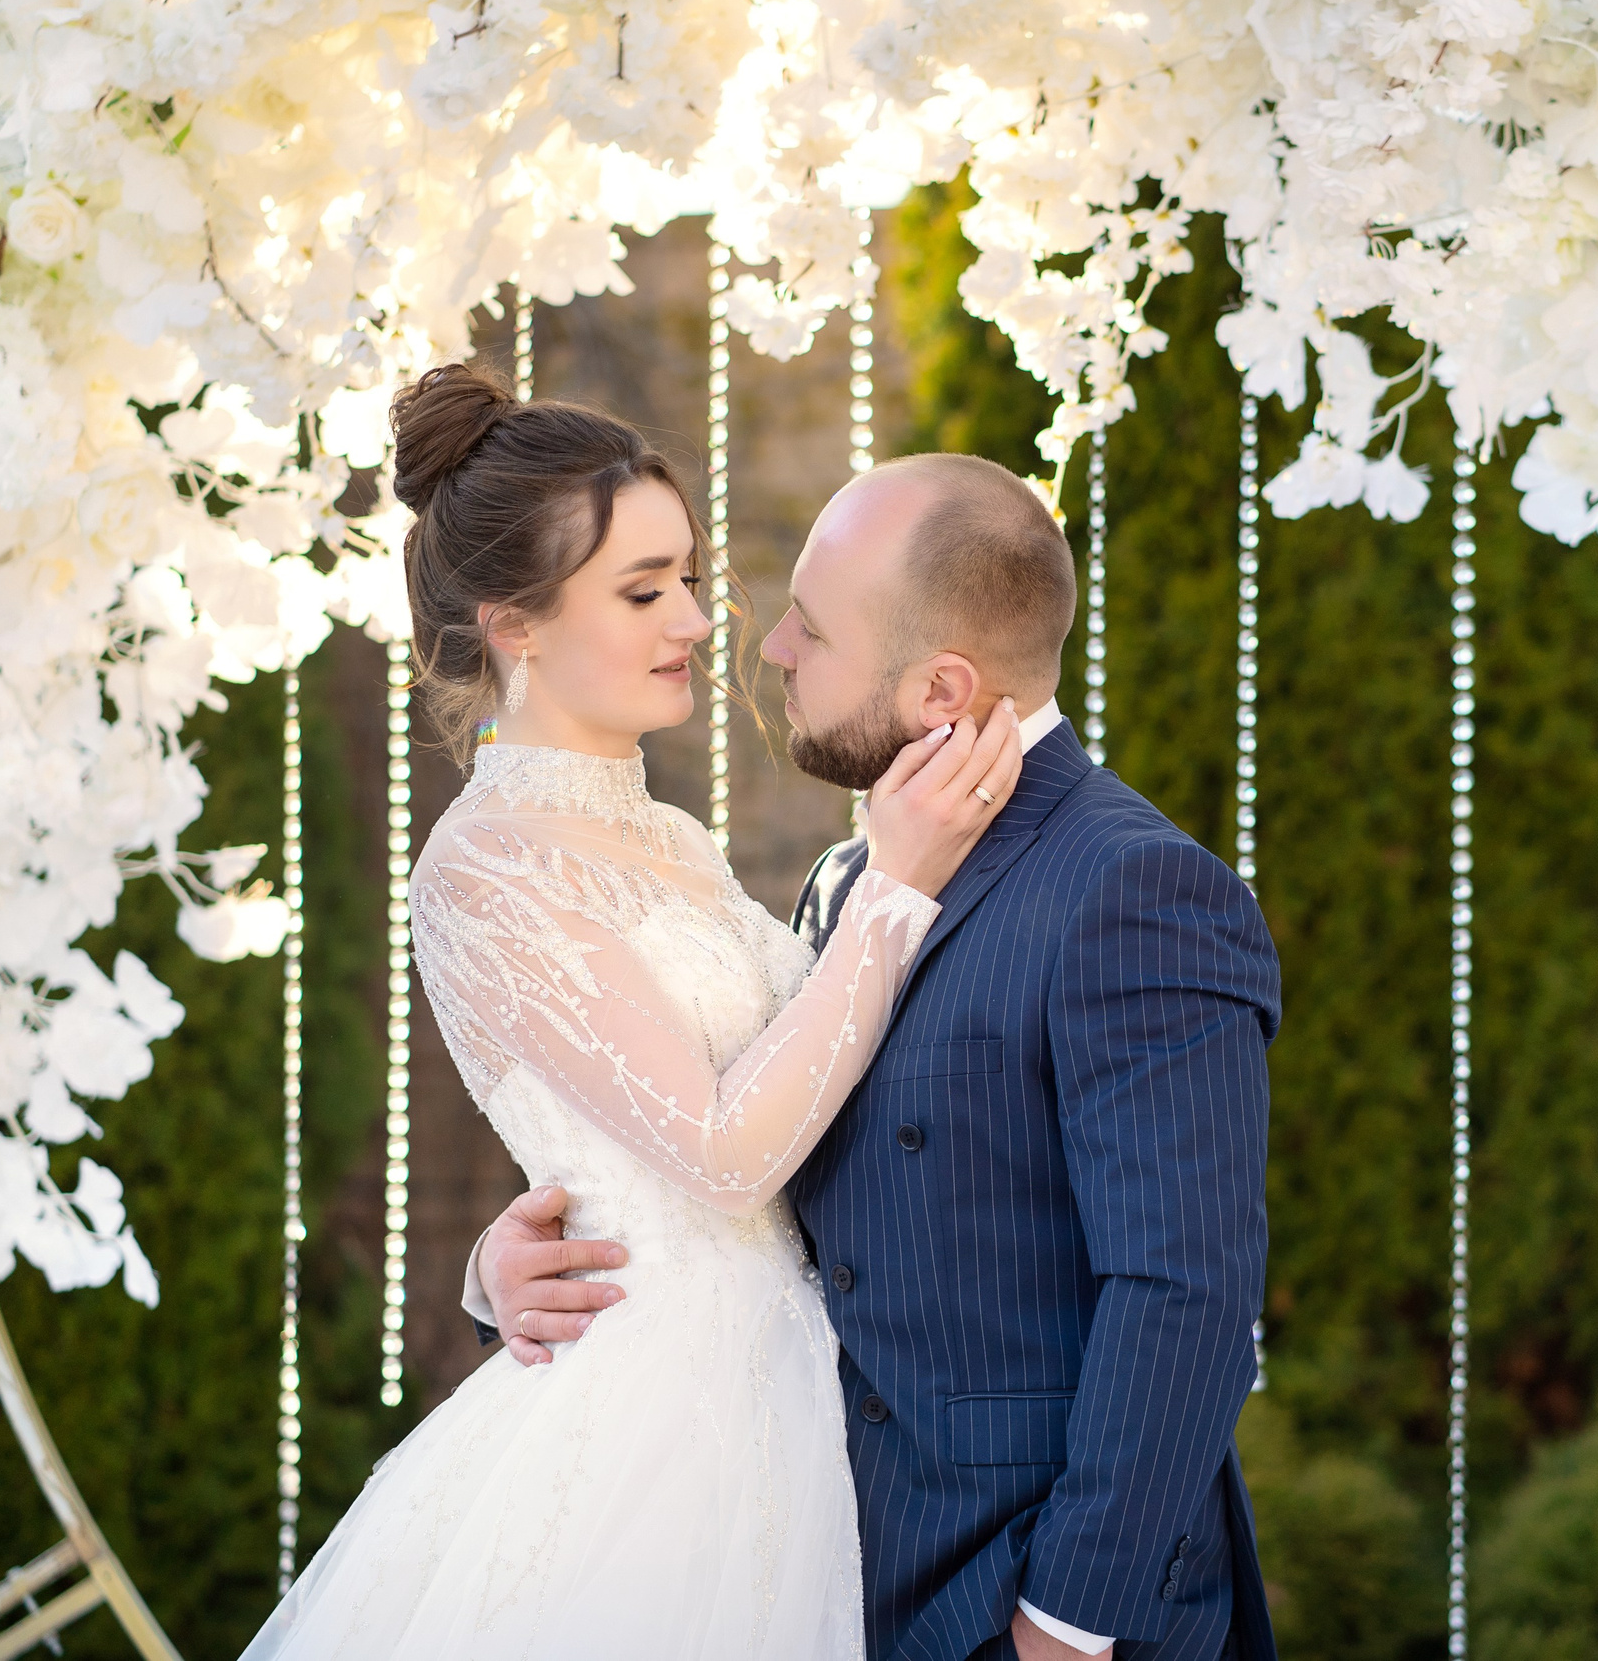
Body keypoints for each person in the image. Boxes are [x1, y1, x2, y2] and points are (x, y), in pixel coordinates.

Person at [240, 366, 1022, 1661]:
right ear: (518, 624)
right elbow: (721, 1149)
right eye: (644, 589)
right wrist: (895, 889)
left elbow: (777, 1080)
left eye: (692, 577)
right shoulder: (486, 866)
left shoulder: (664, 836)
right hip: (668, 1432)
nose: (699, 620)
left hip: (803, 1390)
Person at [470, 447, 1283, 1660]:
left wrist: (1065, 1625)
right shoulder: (852, 877)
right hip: (829, 1564)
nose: (769, 649)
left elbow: (1186, 1297)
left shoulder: (1134, 889)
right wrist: (513, 1268)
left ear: (941, 691)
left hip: (1030, 1604)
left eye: (811, 629)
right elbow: (757, 1174)